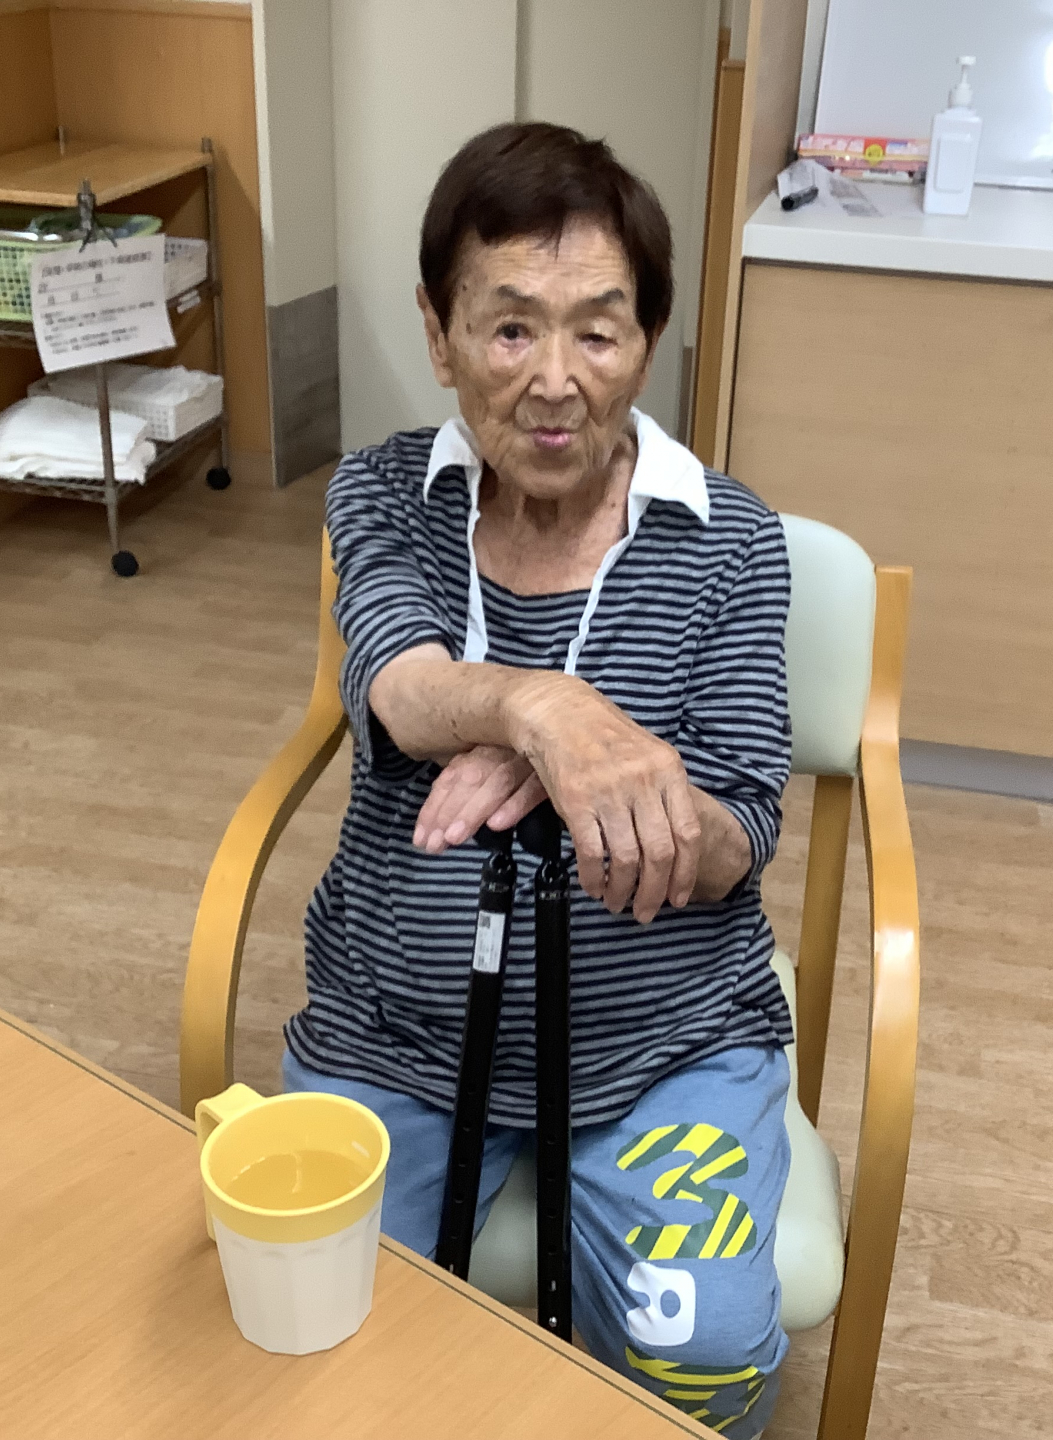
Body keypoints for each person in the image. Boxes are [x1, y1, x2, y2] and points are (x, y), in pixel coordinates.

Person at [282, 121, 793, 1433]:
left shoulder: (733, 541)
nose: (555, 381)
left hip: (661, 1044)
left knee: (705, 1362)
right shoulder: (383, 494)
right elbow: (403, 689)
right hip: (393, 1033)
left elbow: (740, 825)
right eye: (511, 328)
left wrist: (610, 786)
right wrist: (546, 713)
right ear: (440, 332)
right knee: (303, 1337)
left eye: (598, 332)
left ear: (650, 340)